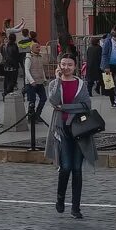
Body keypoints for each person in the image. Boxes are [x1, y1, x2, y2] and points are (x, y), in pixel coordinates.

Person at [45, 53, 97, 219]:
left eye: (69, 65)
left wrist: (65, 107)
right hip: (62, 130)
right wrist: (59, 80)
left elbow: (86, 105)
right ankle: (60, 199)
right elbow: (53, 101)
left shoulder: (81, 84)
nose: (66, 67)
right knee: (65, 166)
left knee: (77, 169)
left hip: (79, 130)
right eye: (63, 64)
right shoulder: (54, 84)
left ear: (75, 67)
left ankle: (76, 207)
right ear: (59, 66)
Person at [22, 42, 47, 119]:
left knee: (43, 98)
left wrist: (44, 79)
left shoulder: (40, 57)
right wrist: (31, 81)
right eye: (37, 47)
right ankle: (31, 116)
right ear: (31, 49)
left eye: (39, 47)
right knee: (32, 100)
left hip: (39, 81)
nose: (39, 48)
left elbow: (41, 69)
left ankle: (38, 114)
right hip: (31, 83)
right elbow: (27, 70)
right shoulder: (28, 58)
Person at [1, 31, 21, 96]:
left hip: (6, 66)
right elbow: (15, 56)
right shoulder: (13, 46)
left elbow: (4, 54)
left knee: (7, 80)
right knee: (12, 81)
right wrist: (16, 64)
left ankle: (6, 92)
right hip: (12, 66)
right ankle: (7, 92)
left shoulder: (5, 46)